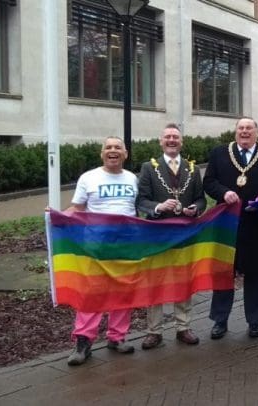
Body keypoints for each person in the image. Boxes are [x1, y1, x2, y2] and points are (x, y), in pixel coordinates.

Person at [203, 117, 258, 339]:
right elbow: (208, 182)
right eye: (241, 128)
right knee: (223, 272)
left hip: (257, 225)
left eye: (249, 128)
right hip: (226, 226)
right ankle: (220, 320)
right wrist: (222, 192)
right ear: (235, 131)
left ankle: (255, 321)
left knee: (257, 274)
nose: (245, 131)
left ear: (257, 132)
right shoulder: (219, 153)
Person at [65, 137, 138, 366]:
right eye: (109, 147)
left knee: (123, 292)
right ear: (102, 153)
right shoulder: (89, 178)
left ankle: (117, 337)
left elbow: (136, 209)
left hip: (126, 245)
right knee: (92, 293)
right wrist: (55, 215)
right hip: (95, 246)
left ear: (125, 154)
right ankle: (83, 342)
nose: (113, 151)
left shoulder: (132, 178)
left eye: (118, 148)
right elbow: (77, 209)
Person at [136, 123, 206, 350]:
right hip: (157, 234)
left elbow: (201, 199)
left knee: (183, 279)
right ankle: (154, 331)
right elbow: (141, 201)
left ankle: (183, 327)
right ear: (161, 141)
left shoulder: (192, 168)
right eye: (168, 137)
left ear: (181, 141)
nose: (172, 140)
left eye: (176, 137)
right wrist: (159, 206)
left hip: (184, 234)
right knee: (155, 281)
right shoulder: (148, 167)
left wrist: (195, 208)